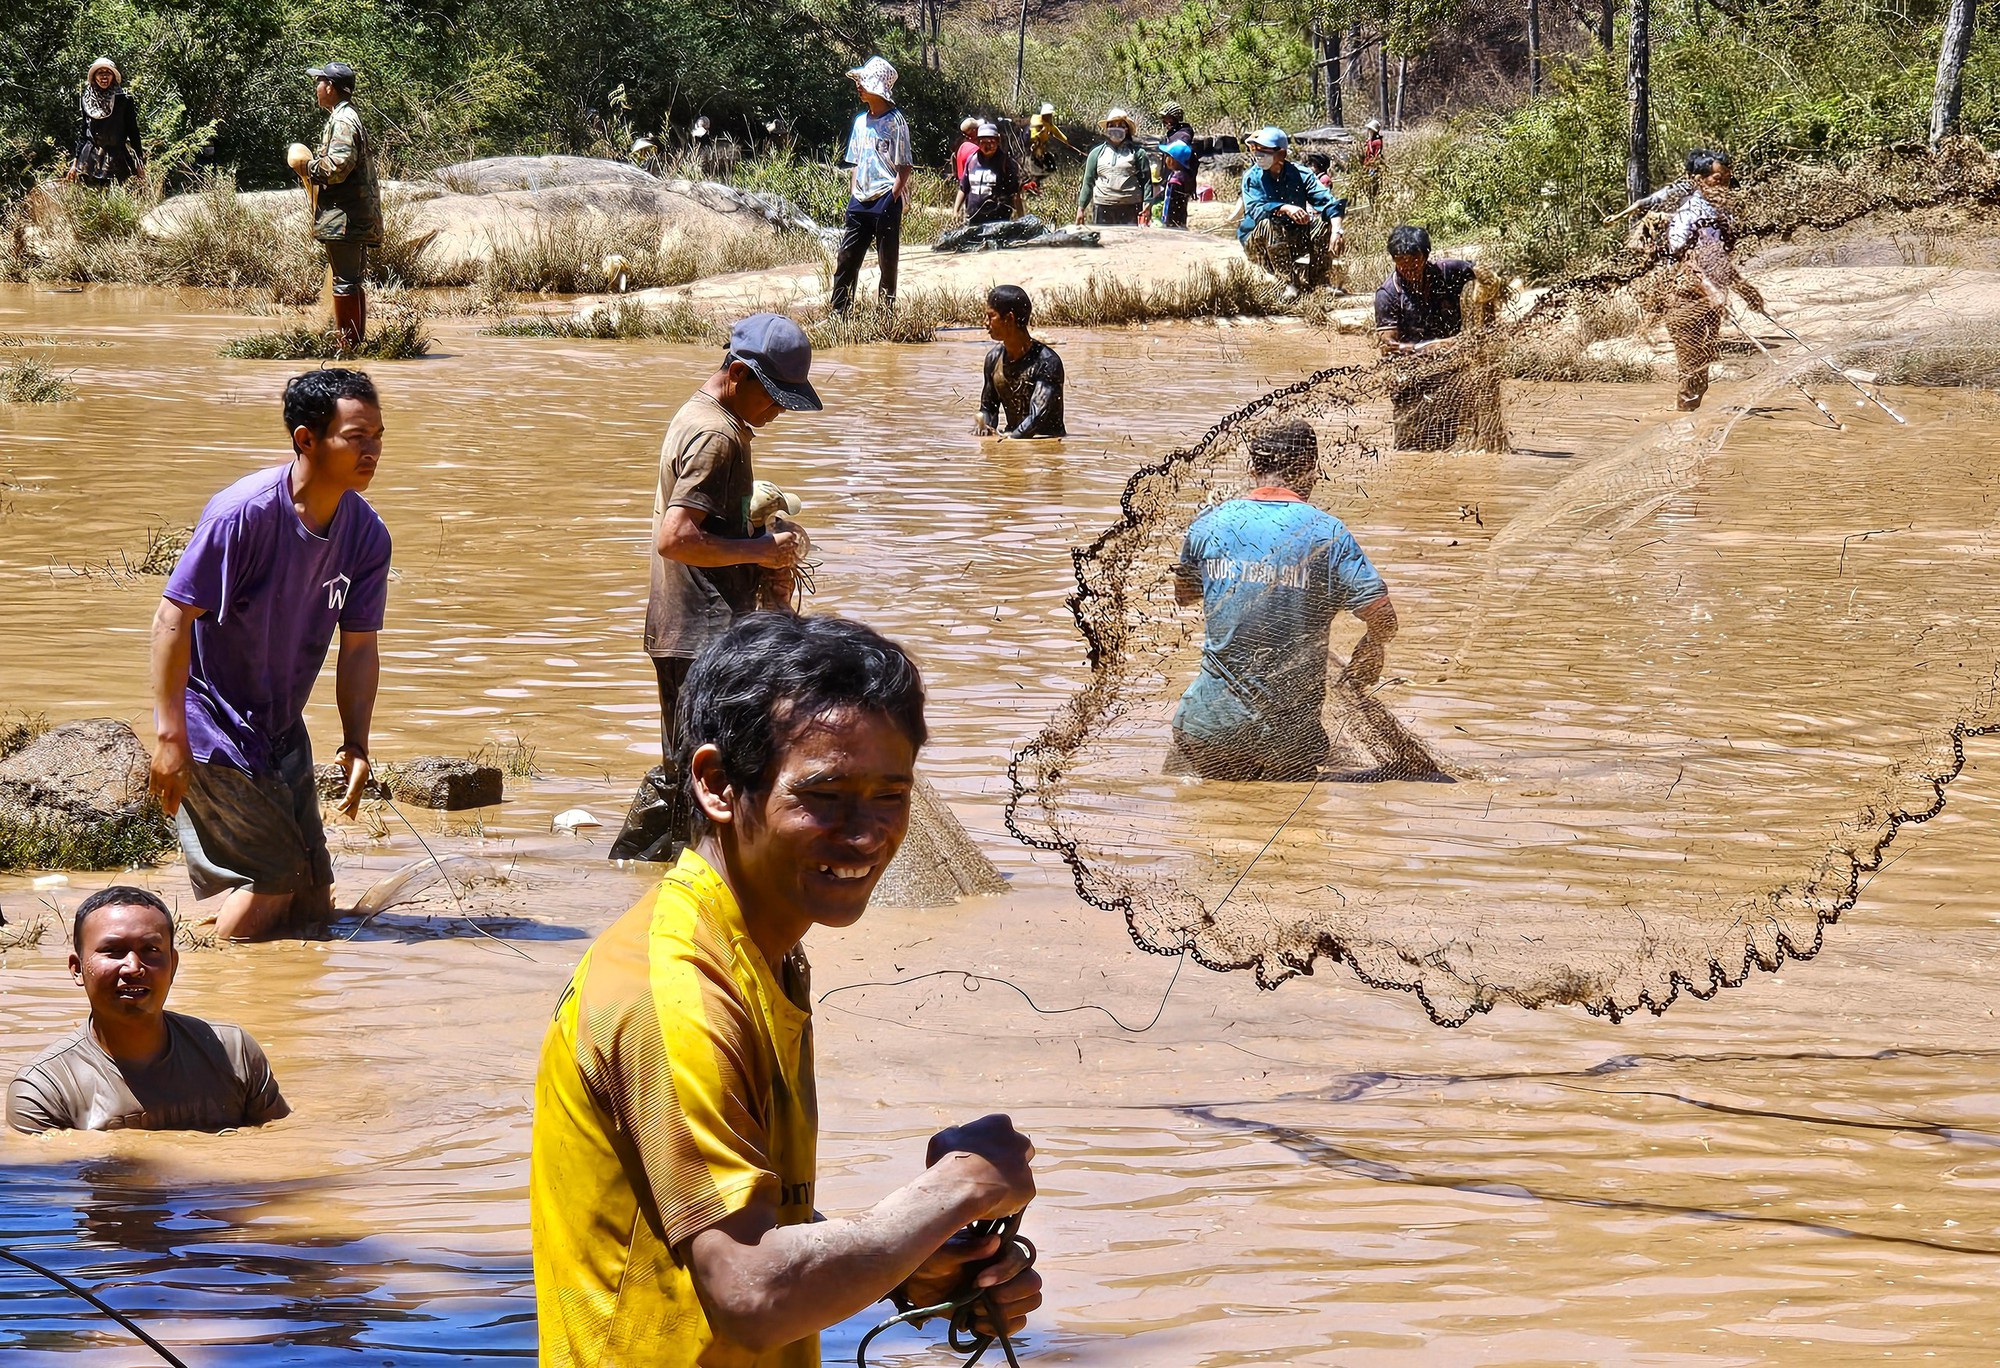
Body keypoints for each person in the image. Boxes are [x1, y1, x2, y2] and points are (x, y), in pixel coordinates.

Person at [533, 612, 1042, 1365]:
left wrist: (911, 1265)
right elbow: (750, 1292)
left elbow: (740, 1225)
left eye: (890, 795)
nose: (866, 832)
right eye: (826, 795)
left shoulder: (759, 952)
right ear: (716, 784)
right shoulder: (674, 992)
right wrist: (954, 1192)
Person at [148, 369, 391, 942]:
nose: (372, 450)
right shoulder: (243, 516)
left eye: (379, 435)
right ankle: (208, 982)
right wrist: (169, 736)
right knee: (274, 879)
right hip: (212, 723)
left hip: (280, 727)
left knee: (312, 898)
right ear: (307, 439)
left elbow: (359, 647)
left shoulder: (367, 535)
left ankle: (251, 982)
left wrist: (357, 742)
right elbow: (171, 619)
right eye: (356, 437)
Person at [608, 314, 818, 863]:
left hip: (691, 630)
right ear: (739, 374)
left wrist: (759, 537)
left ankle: (649, 878)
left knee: (694, 770)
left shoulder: (705, 418)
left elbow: (709, 529)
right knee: (704, 779)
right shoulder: (715, 436)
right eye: (774, 397)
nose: (777, 411)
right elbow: (676, 538)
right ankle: (672, 884)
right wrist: (760, 551)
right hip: (700, 635)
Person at [1170, 422, 1398, 780]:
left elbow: (1184, 595)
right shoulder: (1330, 533)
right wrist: (1374, 645)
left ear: (1251, 469)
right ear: (1311, 469)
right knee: (1294, 822)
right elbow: (1382, 617)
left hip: (1206, 727)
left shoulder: (1209, 523)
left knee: (1199, 814)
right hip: (1286, 742)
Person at [8, 887, 290, 1133]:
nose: (133, 967)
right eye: (113, 950)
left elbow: (282, 1143)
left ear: (174, 965)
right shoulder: (44, 1089)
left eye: (151, 950)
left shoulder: (231, 1051)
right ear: (77, 968)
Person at [1374, 224, 1507, 450]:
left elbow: (1487, 276)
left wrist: (1485, 307)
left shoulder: (1448, 272)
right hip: (1411, 378)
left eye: (1414, 260)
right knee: (1411, 449)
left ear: (1426, 256)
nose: (1408, 267)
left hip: (1451, 375)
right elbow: (1388, 346)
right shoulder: (1388, 293)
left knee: (1450, 440)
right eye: (1400, 261)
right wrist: (1432, 347)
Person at [1662, 148, 1764, 411]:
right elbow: (1687, 262)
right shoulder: (1687, 215)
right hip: (1685, 300)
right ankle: (1682, 430)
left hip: (1711, 300)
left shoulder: (1723, 214)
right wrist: (1711, 291)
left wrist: (1744, 289)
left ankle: (1688, 421)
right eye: (1718, 180)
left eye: (1728, 180)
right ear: (1698, 179)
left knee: (1702, 372)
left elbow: (1719, 260)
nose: (1724, 186)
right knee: (1691, 369)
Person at [297, 62, 382, 353]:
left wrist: (307, 167)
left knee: (345, 282)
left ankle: (346, 348)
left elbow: (338, 167)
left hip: (345, 217)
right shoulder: (346, 116)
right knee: (352, 281)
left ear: (330, 88)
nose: (316, 88)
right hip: (352, 214)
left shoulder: (343, 120)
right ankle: (356, 347)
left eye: (319, 82)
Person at [830, 56, 913, 314]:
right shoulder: (860, 122)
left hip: (885, 198)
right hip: (859, 199)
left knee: (887, 261)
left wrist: (893, 195)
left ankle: (885, 314)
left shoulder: (896, 122)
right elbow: (854, 162)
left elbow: (904, 165)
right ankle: (839, 312)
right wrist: (854, 193)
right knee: (847, 257)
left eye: (863, 82)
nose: (859, 87)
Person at [1237, 127, 1346, 298]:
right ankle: (1287, 283)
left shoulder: (1301, 174)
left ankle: (1319, 282)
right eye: (1254, 149)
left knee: (1325, 224)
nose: (1257, 154)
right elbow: (1256, 209)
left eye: (1263, 150)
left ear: (1281, 153)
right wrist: (1285, 207)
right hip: (1259, 242)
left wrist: (1337, 230)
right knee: (1270, 222)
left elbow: (1328, 203)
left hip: (1292, 240)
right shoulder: (1252, 177)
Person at [976, 285, 1066, 440]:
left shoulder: (1047, 362)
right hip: (1014, 437)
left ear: (1009, 318)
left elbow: (1037, 417)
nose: (985, 323)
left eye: (991, 316)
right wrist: (984, 430)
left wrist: (1010, 442)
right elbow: (988, 409)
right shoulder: (993, 359)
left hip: (1046, 446)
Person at [71, 58, 144, 188]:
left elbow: (133, 131)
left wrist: (139, 160)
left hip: (117, 158)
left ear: (113, 77)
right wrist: (75, 163)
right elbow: (84, 132)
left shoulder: (124, 100)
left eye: (107, 73)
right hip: (90, 159)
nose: (104, 76)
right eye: (100, 73)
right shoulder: (87, 100)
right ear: (94, 77)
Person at [1075, 109, 1151, 226]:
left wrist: (1147, 203)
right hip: (1103, 206)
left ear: (1127, 130)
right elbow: (1088, 182)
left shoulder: (1138, 153)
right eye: (1112, 125)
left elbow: (1146, 181)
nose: (1116, 128)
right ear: (1107, 129)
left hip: (1130, 207)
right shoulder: (1096, 153)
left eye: (1121, 125)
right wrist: (1081, 208)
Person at [955, 121, 1021, 225]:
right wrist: (956, 211)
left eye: (991, 142)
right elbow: (963, 188)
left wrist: (1021, 218)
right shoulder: (971, 160)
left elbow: (1015, 193)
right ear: (978, 142)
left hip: (999, 221)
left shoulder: (1006, 163)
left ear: (998, 141)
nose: (987, 146)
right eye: (983, 142)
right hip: (973, 219)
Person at [1023, 103, 1075, 189]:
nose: (1049, 117)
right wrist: (1040, 133)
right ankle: (1031, 187)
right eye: (1048, 115)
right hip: (1033, 152)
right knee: (1035, 170)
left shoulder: (1047, 125)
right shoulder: (1035, 127)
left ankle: (1035, 185)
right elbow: (1032, 138)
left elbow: (1056, 132)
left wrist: (1065, 141)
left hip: (1042, 151)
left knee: (1051, 167)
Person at [1156, 141, 1195, 230]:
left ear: (1173, 160)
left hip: (1172, 221)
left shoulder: (1175, 180)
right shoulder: (1185, 176)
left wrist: (1168, 222)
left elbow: (1172, 203)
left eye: (1167, 156)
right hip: (1181, 219)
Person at [1359, 117, 1386, 204]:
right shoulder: (1371, 141)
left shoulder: (1377, 142)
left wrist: (1369, 141)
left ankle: (1374, 202)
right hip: (1367, 165)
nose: (1368, 131)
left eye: (1370, 129)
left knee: (1372, 185)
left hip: (1373, 167)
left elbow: (1374, 155)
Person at [953, 116, 981, 182]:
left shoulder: (962, 147)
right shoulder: (974, 150)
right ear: (974, 131)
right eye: (978, 128)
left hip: (964, 187)